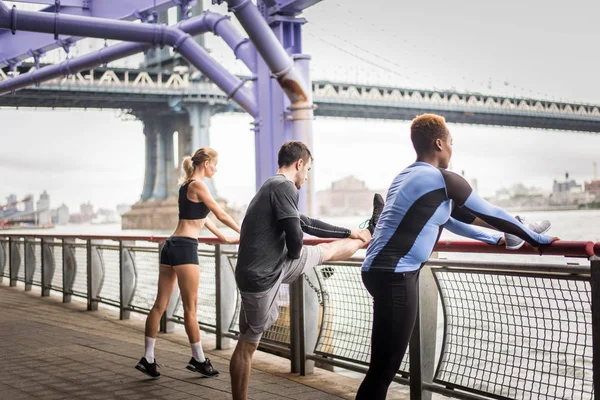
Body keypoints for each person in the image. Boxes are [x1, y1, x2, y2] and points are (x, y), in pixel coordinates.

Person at [356, 114, 558, 399]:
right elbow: (492, 213)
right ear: (439, 143)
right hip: (396, 276)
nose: (452, 147)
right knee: (383, 371)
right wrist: (538, 240)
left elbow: (449, 220)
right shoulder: (445, 179)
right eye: (451, 142)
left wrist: (496, 238)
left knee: (381, 368)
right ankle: (522, 228)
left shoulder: (405, 176)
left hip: (379, 271)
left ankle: (516, 232)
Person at [229, 141, 383, 400]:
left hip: (261, 271)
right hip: (265, 276)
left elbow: (305, 223)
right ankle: (372, 231)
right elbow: (296, 236)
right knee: (247, 347)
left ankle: (366, 231)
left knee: (327, 250)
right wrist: (295, 254)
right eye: (308, 169)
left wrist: (347, 231)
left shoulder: (271, 187)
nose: (307, 176)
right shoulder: (284, 186)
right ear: (299, 164)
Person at [135, 147, 241, 379]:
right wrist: (245, 231)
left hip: (170, 246)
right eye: (215, 164)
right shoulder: (198, 185)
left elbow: (204, 220)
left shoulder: (186, 187)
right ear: (205, 164)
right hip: (184, 248)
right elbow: (221, 215)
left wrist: (229, 238)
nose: (216, 168)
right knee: (190, 309)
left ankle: (148, 358)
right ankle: (199, 359)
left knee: (159, 306)